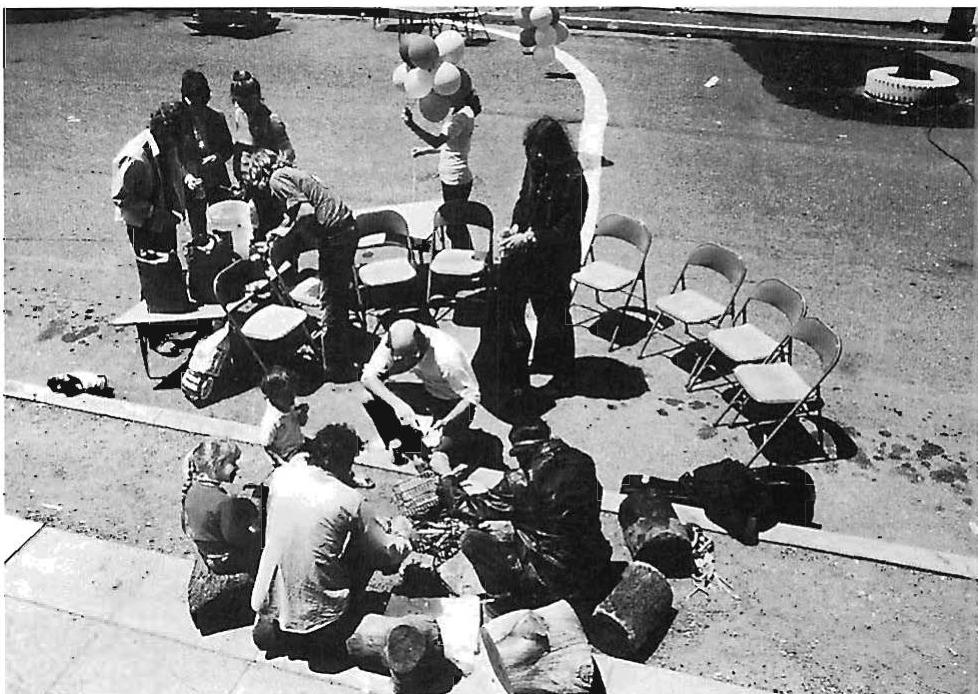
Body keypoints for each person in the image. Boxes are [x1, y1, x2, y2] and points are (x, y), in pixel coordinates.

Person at [251, 424, 413, 657]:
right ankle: (343, 620)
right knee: (363, 548)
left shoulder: (281, 476)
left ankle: (277, 626)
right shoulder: (349, 499)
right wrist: (402, 534)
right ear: (345, 462)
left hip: (269, 599)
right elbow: (386, 552)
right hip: (323, 614)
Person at [439, 419, 613, 613]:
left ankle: (514, 598)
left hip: (554, 578)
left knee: (471, 540)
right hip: (593, 559)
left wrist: (446, 475)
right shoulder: (581, 460)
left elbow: (463, 506)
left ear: (524, 451)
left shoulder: (520, 482)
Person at [245, 152, 359, 378]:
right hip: (346, 227)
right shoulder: (292, 172)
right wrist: (280, 231)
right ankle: (345, 348)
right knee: (338, 295)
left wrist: (285, 236)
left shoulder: (276, 179)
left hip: (335, 235)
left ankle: (335, 367)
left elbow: (305, 212)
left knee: (330, 301)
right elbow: (295, 212)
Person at [498, 116, 588, 397]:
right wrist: (515, 226)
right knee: (535, 307)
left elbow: (569, 226)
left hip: (556, 257)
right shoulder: (536, 163)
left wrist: (530, 237)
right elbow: (524, 199)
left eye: (540, 150)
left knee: (555, 314)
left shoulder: (572, 178)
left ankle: (564, 373)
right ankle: (544, 359)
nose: (535, 156)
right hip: (531, 254)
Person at [360, 319, 481, 471]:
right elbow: (368, 377)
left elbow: (472, 397)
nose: (404, 362)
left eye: (410, 357)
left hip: (453, 403)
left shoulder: (447, 356)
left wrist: (446, 420)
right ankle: (408, 445)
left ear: (423, 345)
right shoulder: (395, 338)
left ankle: (460, 441)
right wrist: (399, 405)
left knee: (438, 457)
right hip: (429, 391)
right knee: (369, 398)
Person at [402, 88, 482, 247]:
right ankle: (465, 258)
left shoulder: (458, 119)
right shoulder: (465, 113)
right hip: (457, 177)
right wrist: (425, 151)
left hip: (454, 180)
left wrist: (411, 124)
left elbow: (438, 141)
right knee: (455, 225)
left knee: (454, 227)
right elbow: (454, 146)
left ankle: (464, 260)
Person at [111, 100, 189, 254]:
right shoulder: (136, 159)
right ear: (163, 131)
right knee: (153, 272)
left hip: (164, 220)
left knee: (169, 266)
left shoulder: (167, 145)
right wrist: (154, 213)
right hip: (142, 227)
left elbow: (174, 170)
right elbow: (122, 198)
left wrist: (187, 179)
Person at [181, 439, 262, 575]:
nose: (237, 467)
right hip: (226, 560)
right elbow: (236, 538)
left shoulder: (192, 490)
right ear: (217, 465)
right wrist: (254, 531)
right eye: (232, 463)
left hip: (207, 550)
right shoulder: (223, 502)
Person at [179, 69, 234, 243]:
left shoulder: (216, 118)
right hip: (194, 182)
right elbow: (173, 157)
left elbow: (228, 148)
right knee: (198, 230)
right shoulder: (178, 122)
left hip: (216, 179)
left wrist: (217, 157)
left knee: (224, 226)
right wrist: (187, 176)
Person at [229, 69, 294, 184]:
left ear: (256, 97)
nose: (244, 108)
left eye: (247, 103)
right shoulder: (239, 114)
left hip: (265, 181)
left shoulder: (272, 121)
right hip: (245, 180)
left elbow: (288, 152)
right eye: (239, 103)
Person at [258, 367, 310, 466]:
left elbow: (302, 423)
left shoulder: (290, 404)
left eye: (293, 395)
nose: (292, 399)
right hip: (286, 455)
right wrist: (280, 463)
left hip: (299, 442)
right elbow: (266, 445)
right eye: (287, 396)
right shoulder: (271, 420)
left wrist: (302, 414)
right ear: (274, 396)